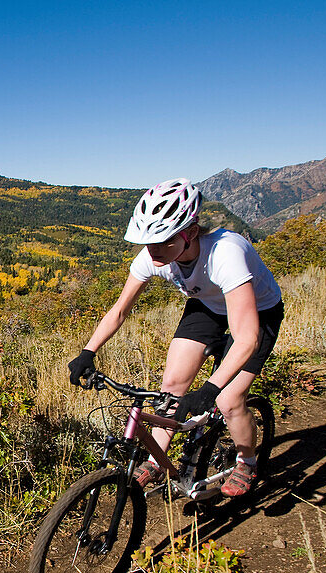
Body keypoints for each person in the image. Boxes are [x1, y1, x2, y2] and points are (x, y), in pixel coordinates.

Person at [68, 178, 283, 497]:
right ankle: (157, 461)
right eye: (147, 242)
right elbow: (119, 311)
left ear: (191, 233)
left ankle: (247, 461)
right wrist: (88, 351)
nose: (152, 250)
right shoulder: (152, 257)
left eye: (162, 241)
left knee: (228, 400)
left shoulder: (226, 253)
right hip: (208, 304)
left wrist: (211, 389)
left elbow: (247, 338)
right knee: (171, 388)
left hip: (259, 311)